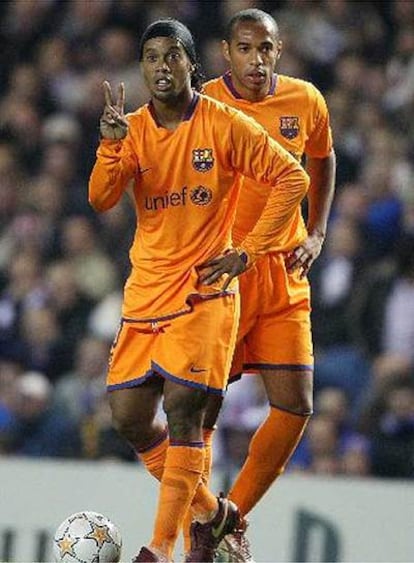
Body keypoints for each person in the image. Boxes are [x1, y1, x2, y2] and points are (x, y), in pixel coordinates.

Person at [88, 18, 309, 563]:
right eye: (152, 58)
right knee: (129, 417)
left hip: (205, 293)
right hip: (146, 292)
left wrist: (248, 251)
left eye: (172, 57)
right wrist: (110, 148)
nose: (162, 67)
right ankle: (213, 513)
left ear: (192, 64)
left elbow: (293, 178)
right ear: (142, 68)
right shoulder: (133, 129)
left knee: (184, 410)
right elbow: (100, 198)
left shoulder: (223, 123)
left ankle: (159, 548)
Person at [201, 9, 336, 560]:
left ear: (279, 51)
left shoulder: (306, 101)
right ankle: (201, 515)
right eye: (245, 48)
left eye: (266, 49)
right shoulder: (202, 101)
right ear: (226, 51)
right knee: (201, 407)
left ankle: (227, 517)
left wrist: (319, 230)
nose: (256, 60)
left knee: (296, 404)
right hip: (224, 273)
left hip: (284, 270)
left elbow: (324, 162)